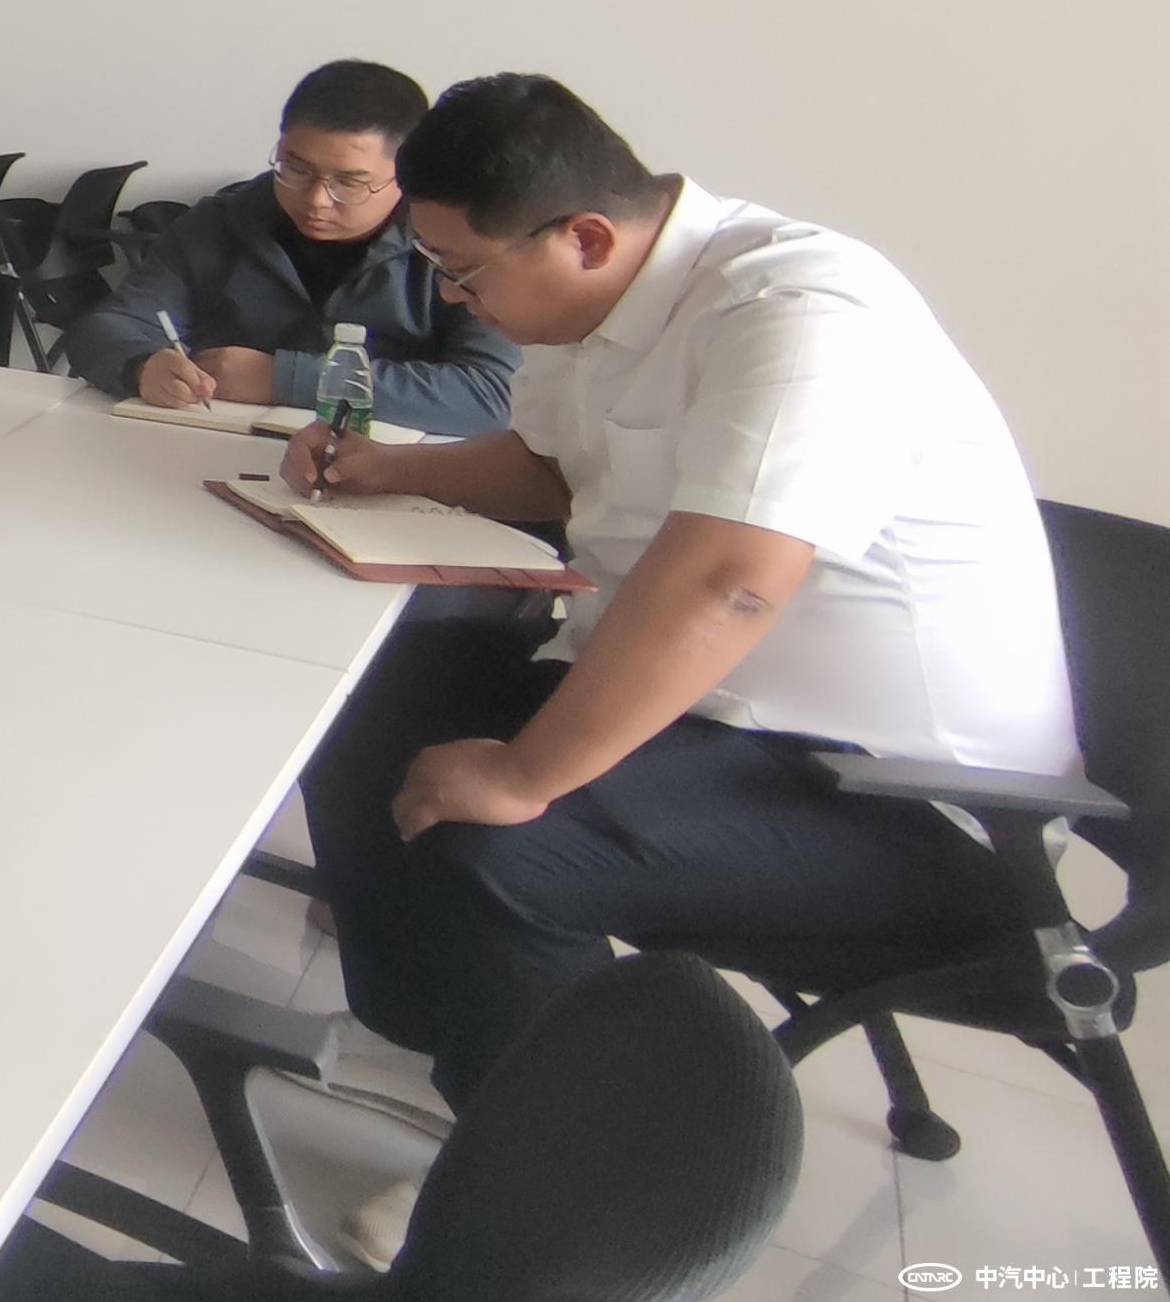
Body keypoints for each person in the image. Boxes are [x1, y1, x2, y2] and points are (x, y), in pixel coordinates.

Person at [287, 74, 1068, 1128]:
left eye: (461, 272)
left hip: (896, 797)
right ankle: (450, 1049)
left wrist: (523, 774)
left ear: (586, 239)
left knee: (504, 850)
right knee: (359, 699)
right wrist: (383, 469)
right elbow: (553, 469)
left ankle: (553, 1177)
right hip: (709, 715)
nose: (453, 298)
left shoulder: (803, 311)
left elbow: (731, 581)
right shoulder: (596, 310)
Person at [65, 59, 517, 436]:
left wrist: (282, 378)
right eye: (295, 169)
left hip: (395, 476)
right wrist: (141, 365)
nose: (316, 200)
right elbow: (105, 327)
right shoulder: (223, 222)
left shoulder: (457, 247)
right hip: (214, 455)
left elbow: (490, 395)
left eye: (349, 182)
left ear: (406, 175)